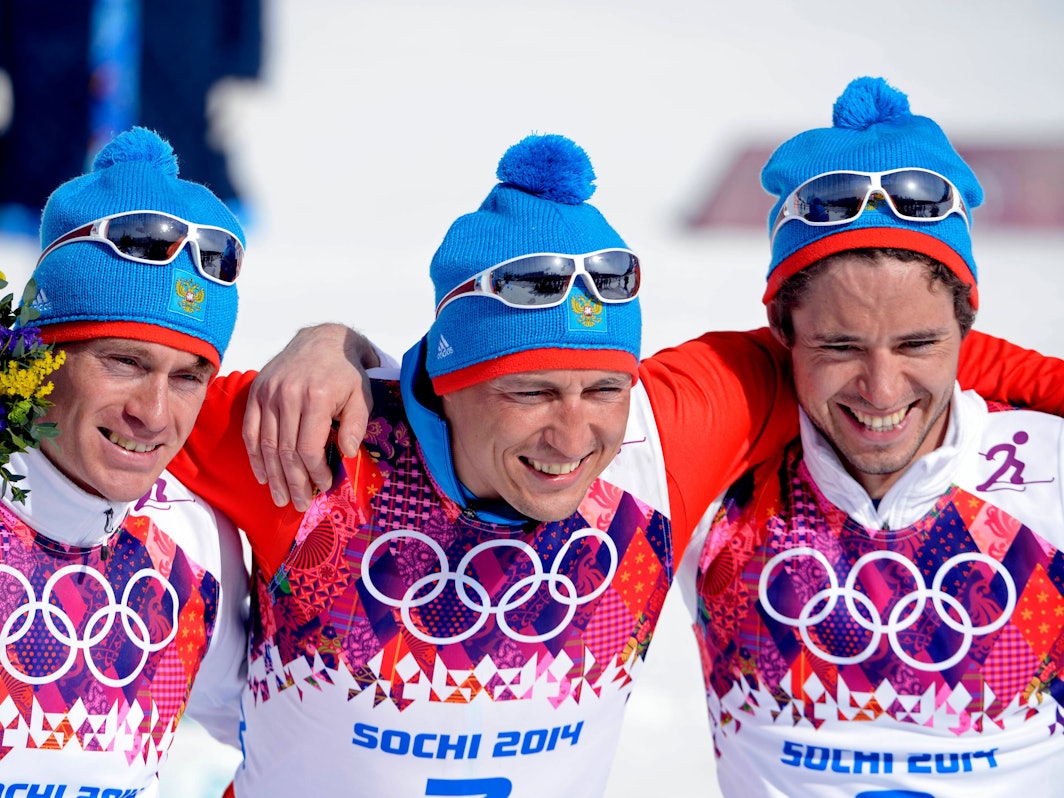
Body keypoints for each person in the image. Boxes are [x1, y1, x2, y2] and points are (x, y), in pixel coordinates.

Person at [170, 130, 1064, 797]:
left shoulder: (663, 437)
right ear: (446, 377)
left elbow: (868, 349)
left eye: (603, 389)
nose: (572, 438)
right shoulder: (315, 441)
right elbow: (109, 395)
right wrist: (330, 344)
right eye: (529, 393)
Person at [683, 76, 1064, 796]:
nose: (882, 391)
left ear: (967, 328)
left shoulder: (1052, 473)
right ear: (781, 330)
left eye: (918, 344)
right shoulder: (714, 478)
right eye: (840, 347)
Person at [0, 126, 249, 794]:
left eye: (188, 376)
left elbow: (295, 737)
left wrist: (331, 346)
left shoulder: (192, 546)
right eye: (124, 362)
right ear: (38, 352)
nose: (154, 414)